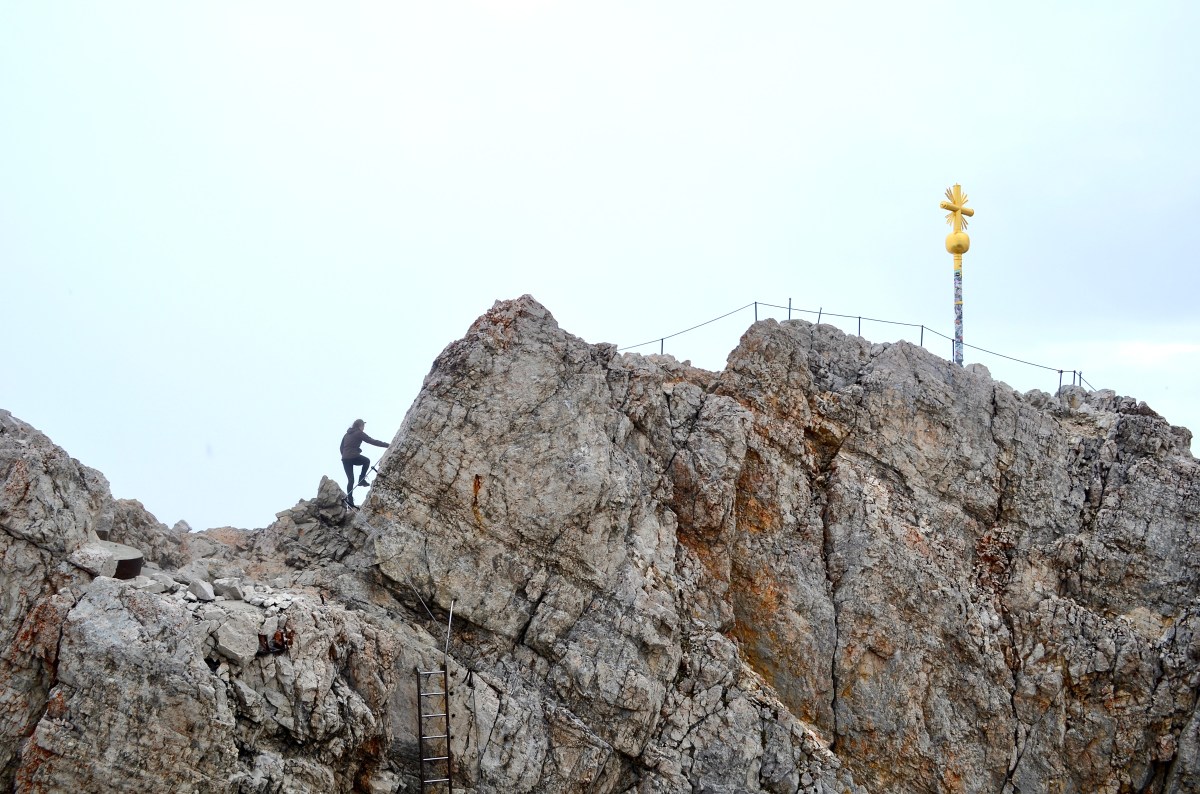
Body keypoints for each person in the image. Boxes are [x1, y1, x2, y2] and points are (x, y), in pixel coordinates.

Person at [340, 418, 388, 501]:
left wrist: (346, 454)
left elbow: (341, 447)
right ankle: (361, 479)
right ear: (360, 426)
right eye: (363, 426)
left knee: (350, 480)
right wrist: (387, 445)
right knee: (366, 461)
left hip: (345, 459)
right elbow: (372, 441)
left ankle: (350, 501)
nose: (364, 428)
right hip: (353, 457)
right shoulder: (359, 433)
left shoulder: (346, 434)